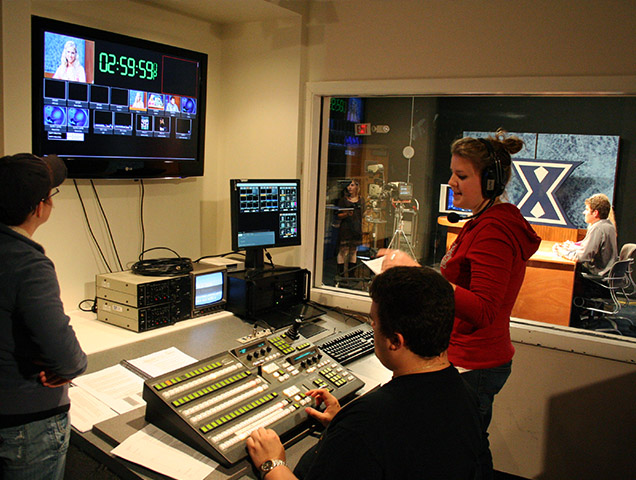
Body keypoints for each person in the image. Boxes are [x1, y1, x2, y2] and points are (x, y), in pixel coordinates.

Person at [380, 130, 541, 478]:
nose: (451, 182)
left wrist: (418, 272)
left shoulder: (495, 230)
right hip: (473, 358)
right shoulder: (484, 221)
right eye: (453, 173)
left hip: (476, 362)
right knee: (468, 448)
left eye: (462, 176)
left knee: (455, 457)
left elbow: (483, 309)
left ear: (491, 181)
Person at [246, 266, 484, 480]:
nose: (372, 327)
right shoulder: (467, 395)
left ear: (395, 341)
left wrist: (272, 464)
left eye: (374, 321)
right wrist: (341, 425)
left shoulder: (366, 423)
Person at [0, 153, 87, 479]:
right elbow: (67, 360)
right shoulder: (29, 265)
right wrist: (71, 366)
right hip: (24, 424)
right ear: (40, 207)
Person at [553, 193, 618, 276]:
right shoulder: (608, 225)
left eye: (587, 209)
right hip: (606, 270)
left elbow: (581, 257)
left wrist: (562, 252)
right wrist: (571, 247)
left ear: (595, 213)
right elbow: (587, 248)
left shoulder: (598, 228)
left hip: (597, 272)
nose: (584, 212)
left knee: (561, 271)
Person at [335, 179, 364, 278]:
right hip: (346, 229)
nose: (350, 187)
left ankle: (352, 275)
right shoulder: (343, 200)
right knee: (343, 251)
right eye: (348, 185)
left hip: (356, 228)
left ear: (357, 186)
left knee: (353, 251)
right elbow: (338, 215)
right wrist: (347, 214)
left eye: (352, 185)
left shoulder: (361, 200)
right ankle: (341, 275)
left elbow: (363, 214)